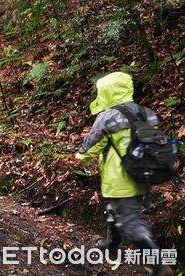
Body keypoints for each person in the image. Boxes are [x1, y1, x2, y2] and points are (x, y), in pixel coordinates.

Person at [73, 72, 172, 275]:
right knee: (115, 210)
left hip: (119, 178)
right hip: (143, 173)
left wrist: (79, 157)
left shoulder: (107, 117)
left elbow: (90, 147)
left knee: (130, 221)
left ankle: (159, 265)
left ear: (107, 92)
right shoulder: (145, 112)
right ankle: (111, 243)